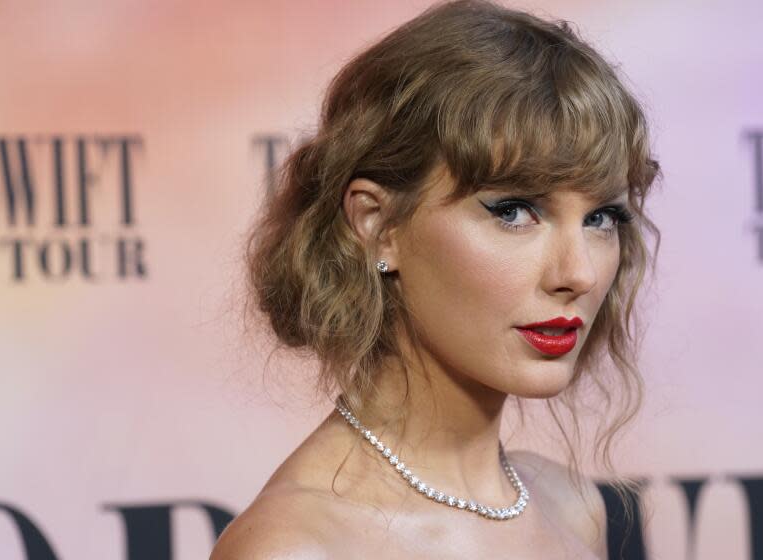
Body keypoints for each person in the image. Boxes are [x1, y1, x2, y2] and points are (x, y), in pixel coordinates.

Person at [212, 0, 660, 557]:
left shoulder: (573, 505)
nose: (579, 273)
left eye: (601, 218)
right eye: (515, 210)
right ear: (378, 227)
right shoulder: (299, 548)